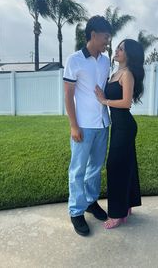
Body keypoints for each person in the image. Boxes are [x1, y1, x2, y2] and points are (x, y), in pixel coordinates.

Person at [63, 15, 112, 236]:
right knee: (78, 170)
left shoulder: (105, 60)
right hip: (83, 125)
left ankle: (91, 202)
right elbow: (68, 95)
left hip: (103, 124)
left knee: (95, 168)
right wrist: (74, 126)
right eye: (105, 37)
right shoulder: (74, 60)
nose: (108, 42)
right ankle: (76, 211)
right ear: (93, 35)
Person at [95, 39, 145, 229]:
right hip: (118, 125)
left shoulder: (127, 74)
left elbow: (126, 103)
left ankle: (117, 213)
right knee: (126, 164)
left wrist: (104, 100)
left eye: (121, 49)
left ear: (129, 54)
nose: (116, 50)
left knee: (115, 165)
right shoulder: (115, 73)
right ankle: (127, 205)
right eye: (117, 47)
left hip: (124, 125)